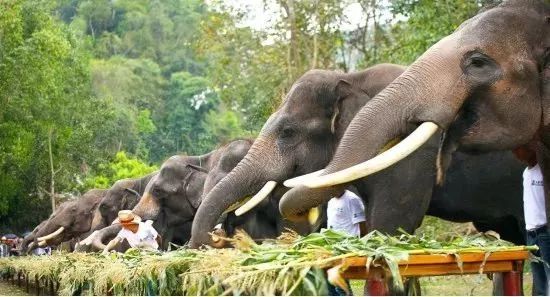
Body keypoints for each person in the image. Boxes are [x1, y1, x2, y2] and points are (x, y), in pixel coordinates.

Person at [514, 145, 550, 295]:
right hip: (531, 233)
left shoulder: (545, 171)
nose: (516, 155)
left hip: (545, 232)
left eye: (518, 149)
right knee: (539, 277)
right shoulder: (525, 173)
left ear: (533, 149)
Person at [326, 188, 367, 296]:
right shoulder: (331, 202)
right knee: (335, 281)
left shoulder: (352, 199)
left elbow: (362, 224)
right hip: (334, 247)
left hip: (348, 247)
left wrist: (360, 244)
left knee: (344, 280)